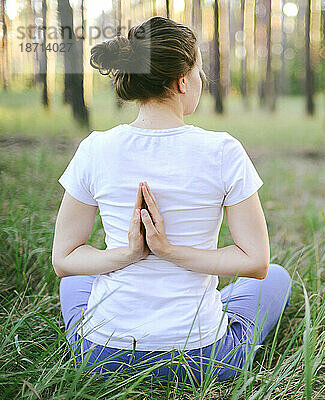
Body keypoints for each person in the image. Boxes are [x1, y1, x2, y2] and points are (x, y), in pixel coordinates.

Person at [52, 16, 292, 384]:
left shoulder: (95, 149)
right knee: (274, 277)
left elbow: (64, 260)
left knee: (73, 282)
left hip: (102, 357)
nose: (201, 80)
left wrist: (129, 254)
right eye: (199, 71)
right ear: (182, 81)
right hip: (201, 359)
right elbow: (257, 262)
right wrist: (170, 252)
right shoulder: (223, 150)